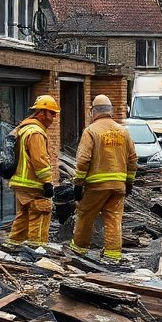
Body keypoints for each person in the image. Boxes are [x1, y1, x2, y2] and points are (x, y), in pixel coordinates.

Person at [68, 95, 137, 264]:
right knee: (114, 219)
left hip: (96, 186)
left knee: (85, 215)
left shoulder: (91, 131)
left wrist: (78, 184)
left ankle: (79, 249)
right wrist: (129, 182)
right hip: (118, 186)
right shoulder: (123, 131)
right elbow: (133, 159)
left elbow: (83, 160)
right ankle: (113, 256)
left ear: (94, 112)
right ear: (110, 111)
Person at [3, 95, 59, 253]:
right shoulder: (36, 132)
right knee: (39, 214)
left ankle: (12, 246)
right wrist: (47, 182)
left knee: (23, 216)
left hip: (22, 183)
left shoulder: (24, 128)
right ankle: (36, 251)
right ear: (42, 113)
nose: (53, 118)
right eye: (52, 113)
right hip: (33, 184)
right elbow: (39, 160)